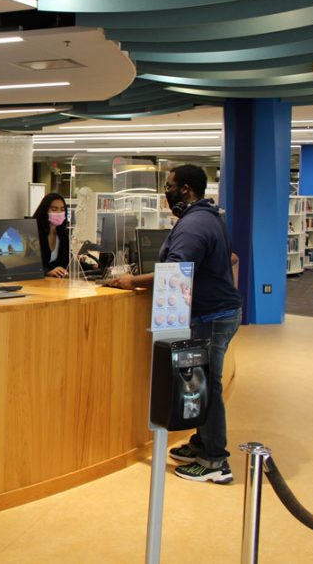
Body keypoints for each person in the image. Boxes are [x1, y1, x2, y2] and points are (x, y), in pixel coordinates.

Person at [108, 164, 242, 484]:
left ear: (185, 189)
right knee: (201, 381)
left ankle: (214, 461)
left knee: (205, 385)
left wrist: (131, 282)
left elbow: (175, 273)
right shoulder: (208, 216)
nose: (166, 192)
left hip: (211, 317)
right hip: (219, 312)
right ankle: (202, 442)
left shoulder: (194, 225)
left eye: (169, 186)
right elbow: (231, 257)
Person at [32, 193, 70, 278]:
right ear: (45, 211)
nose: (59, 213)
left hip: (54, 284)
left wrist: (93, 266)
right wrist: (47, 271)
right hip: (34, 283)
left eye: (62, 209)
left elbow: (68, 261)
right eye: (54, 209)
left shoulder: (63, 234)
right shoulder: (33, 233)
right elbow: (27, 265)